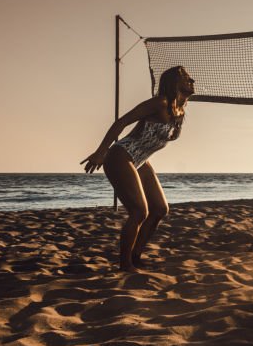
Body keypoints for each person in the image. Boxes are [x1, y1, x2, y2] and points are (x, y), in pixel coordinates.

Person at [81, 66, 195, 272]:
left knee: (160, 209)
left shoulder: (179, 110)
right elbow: (122, 121)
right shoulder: (160, 103)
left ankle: (135, 257)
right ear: (174, 83)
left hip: (141, 160)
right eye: (186, 78)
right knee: (139, 211)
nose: (192, 80)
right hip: (121, 155)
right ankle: (125, 265)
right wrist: (100, 151)